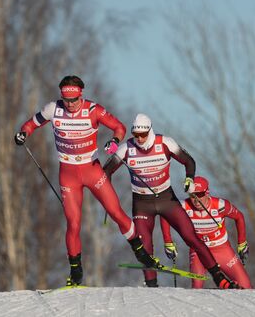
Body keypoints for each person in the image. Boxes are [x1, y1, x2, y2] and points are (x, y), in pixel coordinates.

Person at [14, 76, 159, 287]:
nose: (70, 104)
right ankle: (76, 271)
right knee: (73, 223)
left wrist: (114, 141)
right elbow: (31, 124)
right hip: (68, 173)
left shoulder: (93, 110)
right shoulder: (53, 109)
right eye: (66, 99)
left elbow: (119, 127)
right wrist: (22, 134)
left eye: (73, 99)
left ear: (80, 94)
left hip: (92, 170)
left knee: (116, 213)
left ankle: (141, 253)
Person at [103, 113, 240, 289]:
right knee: (145, 245)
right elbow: (106, 171)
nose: (140, 139)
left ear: (150, 131)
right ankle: (152, 286)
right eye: (136, 135)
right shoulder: (126, 149)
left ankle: (219, 278)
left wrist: (189, 179)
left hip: (166, 199)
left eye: (143, 135)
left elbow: (188, 161)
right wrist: (107, 193)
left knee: (191, 237)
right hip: (142, 204)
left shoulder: (165, 143)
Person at [160, 176, 252, 288]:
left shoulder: (220, 205)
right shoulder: (183, 206)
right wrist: (168, 242)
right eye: (192, 195)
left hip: (222, 249)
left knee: (246, 287)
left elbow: (239, 217)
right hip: (198, 251)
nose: (196, 199)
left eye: (199, 195)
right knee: (197, 286)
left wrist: (242, 243)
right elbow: (165, 216)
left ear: (207, 193)